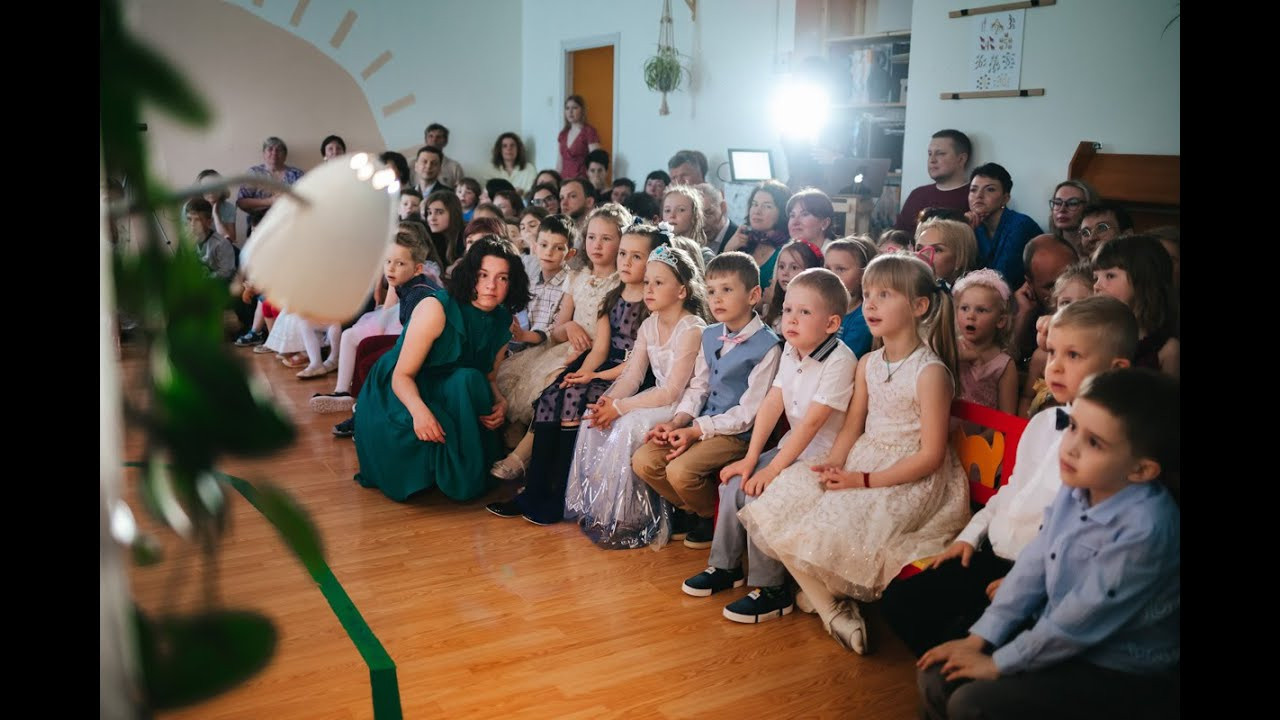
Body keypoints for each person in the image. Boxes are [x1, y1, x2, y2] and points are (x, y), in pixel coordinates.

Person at [739, 254, 970, 655]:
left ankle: (827, 602)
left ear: (920, 306)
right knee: (780, 499)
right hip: (862, 458)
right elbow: (851, 428)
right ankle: (833, 609)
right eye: (867, 295)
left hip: (910, 476)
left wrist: (861, 481)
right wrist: (832, 465)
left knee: (832, 525)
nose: (872, 304)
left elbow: (931, 455)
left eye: (885, 295)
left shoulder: (930, 372)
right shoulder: (867, 364)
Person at [916, 369, 1179, 720]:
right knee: (935, 675)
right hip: (1057, 630)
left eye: (1094, 442)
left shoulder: (1146, 528)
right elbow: (1035, 562)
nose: (1070, 447)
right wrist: (979, 637)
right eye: (1072, 427)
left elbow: (1084, 617)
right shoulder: (1080, 484)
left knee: (971, 704)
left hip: (1118, 665)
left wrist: (999, 663)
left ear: (1141, 471)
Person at [883, 295, 1137, 658]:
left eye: (1073, 356)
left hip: (1037, 570)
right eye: (1052, 353)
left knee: (987, 630)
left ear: (1116, 369)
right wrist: (969, 537)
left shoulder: (1112, 451)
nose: (1055, 368)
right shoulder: (1044, 422)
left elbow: (1081, 537)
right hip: (993, 548)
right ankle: (957, 661)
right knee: (900, 600)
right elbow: (1012, 490)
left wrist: (1028, 584)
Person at [681, 268, 856, 623]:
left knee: (762, 495)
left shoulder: (840, 361)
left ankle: (773, 590)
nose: (791, 319)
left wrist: (772, 470)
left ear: (832, 323)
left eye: (804, 312)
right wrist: (750, 459)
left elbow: (812, 424)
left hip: (823, 455)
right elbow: (773, 403)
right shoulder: (791, 351)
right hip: (794, 447)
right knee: (734, 482)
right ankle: (726, 567)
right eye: (788, 309)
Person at [485, 222, 663, 525]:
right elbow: (600, 350)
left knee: (572, 400)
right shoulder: (612, 297)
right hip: (606, 366)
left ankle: (560, 495)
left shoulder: (651, 305)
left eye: (636, 256)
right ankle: (534, 490)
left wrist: (593, 379)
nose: (625, 262)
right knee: (554, 393)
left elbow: (638, 363)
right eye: (623, 254)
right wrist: (583, 373)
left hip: (634, 374)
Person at [352, 237, 530, 502]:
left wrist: (501, 401)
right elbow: (402, 376)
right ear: (470, 274)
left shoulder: (502, 322)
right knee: (429, 427)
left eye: (502, 278)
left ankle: (460, 470)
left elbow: (489, 376)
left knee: (470, 379)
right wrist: (420, 413)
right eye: (483, 275)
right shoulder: (436, 308)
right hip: (401, 386)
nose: (491, 286)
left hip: (451, 386)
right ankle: (434, 468)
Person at [562, 243, 709, 549]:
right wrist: (608, 402)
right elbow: (632, 375)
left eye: (659, 282)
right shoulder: (648, 325)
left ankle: (632, 518)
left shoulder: (692, 328)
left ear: (681, 291)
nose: (649, 289)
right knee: (593, 418)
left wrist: (621, 408)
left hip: (683, 406)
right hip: (658, 398)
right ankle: (598, 509)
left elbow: (673, 390)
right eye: (647, 282)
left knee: (628, 426)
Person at [632, 252, 782, 549]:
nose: (717, 299)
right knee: (644, 460)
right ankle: (693, 511)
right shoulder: (711, 334)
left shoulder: (768, 346)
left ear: (753, 295)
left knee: (680, 470)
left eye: (727, 290)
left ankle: (710, 517)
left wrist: (695, 431)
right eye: (711, 291)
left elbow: (747, 413)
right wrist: (676, 422)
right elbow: (698, 387)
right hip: (701, 423)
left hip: (736, 434)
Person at [967, 163, 1043, 286]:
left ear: (1005, 198)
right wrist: (964, 232)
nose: (979, 196)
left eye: (990, 189)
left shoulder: (1021, 225)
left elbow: (1003, 278)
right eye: (973, 190)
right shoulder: (971, 226)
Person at [895, 130, 974, 235]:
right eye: (929, 154)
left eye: (940, 154)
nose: (932, 160)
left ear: (961, 159)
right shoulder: (917, 195)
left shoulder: (974, 196)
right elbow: (897, 238)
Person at [557, 95, 602, 179]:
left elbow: (597, 161)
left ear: (582, 110)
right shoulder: (563, 134)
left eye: (574, 108)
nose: (570, 112)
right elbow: (559, 163)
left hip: (582, 180)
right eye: (567, 108)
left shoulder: (589, 131)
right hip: (564, 181)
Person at [424, 123, 464, 188]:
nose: (434, 140)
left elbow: (459, 193)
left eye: (438, 137)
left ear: (446, 141)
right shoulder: (413, 165)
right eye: (430, 136)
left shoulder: (454, 167)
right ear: (425, 140)